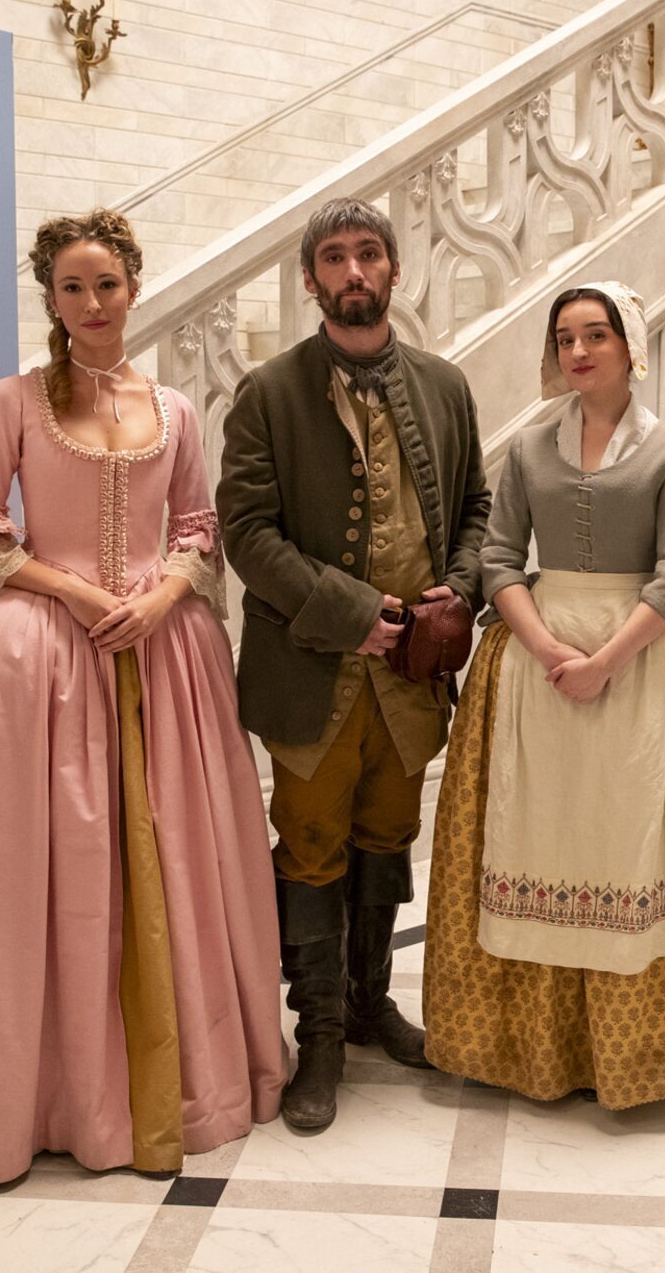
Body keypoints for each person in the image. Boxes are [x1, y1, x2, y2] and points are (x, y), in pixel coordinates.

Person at [0, 209, 284, 1188]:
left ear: (133, 288)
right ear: (50, 300)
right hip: (37, 654)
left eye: (106, 285)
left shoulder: (178, 410)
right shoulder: (13, 402)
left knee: (172, 859)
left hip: (164, 652)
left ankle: (184, 1078)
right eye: (71, 288)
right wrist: (79, 594)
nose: (92, 304)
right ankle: (43, 1096)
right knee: (45, 870)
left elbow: (199, 527)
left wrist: (160, 595)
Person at [421, 282, 665, 1107]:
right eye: (566, 337)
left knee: (629, 840)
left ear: (630, 345)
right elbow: (500, 559)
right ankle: (531, 1042)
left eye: (596, 335)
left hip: (642, 659)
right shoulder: (533, 447)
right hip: (538, 668)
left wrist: (607, 659)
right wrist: (542, 646)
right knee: (540, 836)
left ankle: (638, 1047)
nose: (579, 351)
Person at [217, 196, 490, 1130]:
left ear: (395, 270)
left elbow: (477, 512)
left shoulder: (447, 387)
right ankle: (322, 1035)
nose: (354, 272)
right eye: (334, 258)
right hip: (312, 673)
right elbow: (246, 534)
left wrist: (457, 590)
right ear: (311, 280)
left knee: (387, 838)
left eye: (369, 254)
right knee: (311, 846)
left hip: (412, 678)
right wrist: (350, 612)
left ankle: (373, 1006)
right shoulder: (268, 392)